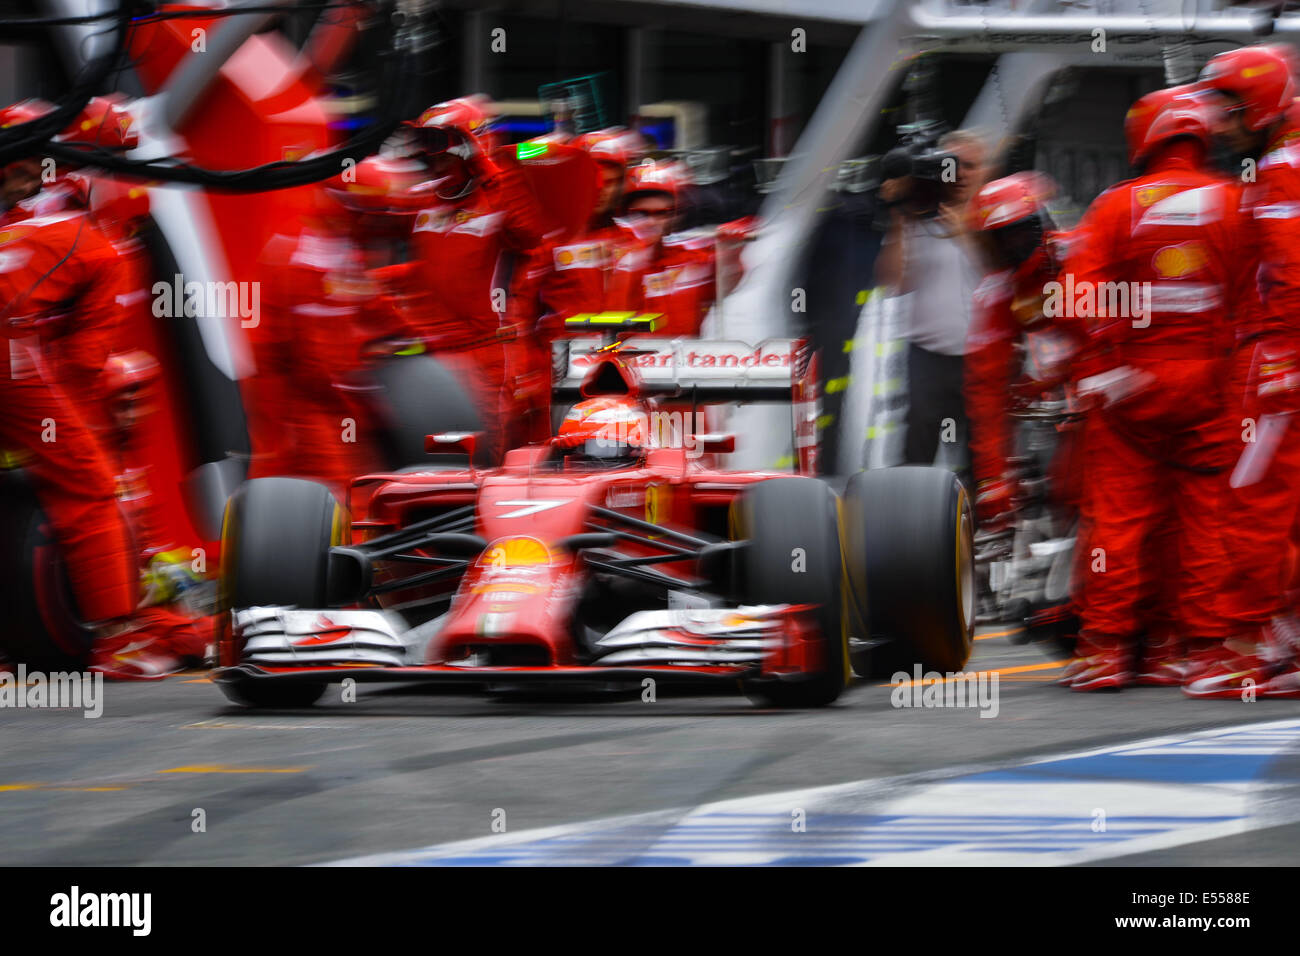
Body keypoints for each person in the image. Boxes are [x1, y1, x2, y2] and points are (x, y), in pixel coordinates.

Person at [1057, 85, 1249, 692]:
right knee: (1205, 520)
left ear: (1147, 138)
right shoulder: (1235, 201)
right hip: (1213, 384)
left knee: (1117, 520)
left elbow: (1072, 300)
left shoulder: (1113, 207)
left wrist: (1108, 353)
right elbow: (1261, 299)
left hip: (1131, 386)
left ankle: (1107, 649)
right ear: (1201, 136)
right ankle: (1204, 653)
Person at [1193, 45, 1300, 698]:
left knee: (1250, 500)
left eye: (1227, 108)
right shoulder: (1282, 160)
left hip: (1279, 353)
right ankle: (1281, 641)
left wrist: (1283, 360)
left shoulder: (1283, 170)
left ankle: (1244, 648)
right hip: (1277, 348)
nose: (1216, 121)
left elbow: (1290, 273)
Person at [394, 95, 547, 462]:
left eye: (444, 146)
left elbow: (530, 235)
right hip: (430, 354)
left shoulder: (501, 199)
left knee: (483, 459)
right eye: (427, 148)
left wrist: (484, 163)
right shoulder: (419, 203)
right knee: (426, 456)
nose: (433, 158)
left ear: (471, 146)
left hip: (488, 350)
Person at [875, 129, 989, 485]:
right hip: (928, 357)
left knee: (982, 456)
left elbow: (1004, 278)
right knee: (916, 455)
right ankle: (909, 529)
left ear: (984, 171)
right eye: (952, 166)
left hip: (982, 360)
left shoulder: (994, 215)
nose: (961, 175)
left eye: (969, 166)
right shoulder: (918, 211)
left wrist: (965, 235)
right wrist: (898, 216)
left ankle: (982, 532)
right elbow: (891, 283)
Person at [605, 160, 715, 337]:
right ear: (627, 214)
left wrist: (731, 251)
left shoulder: (693, 260)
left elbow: (730, 283)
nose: (651, 222)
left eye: (661, 213)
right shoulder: (615, 262)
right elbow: (614, 323)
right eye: (642, 213)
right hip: (631, 359)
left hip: (685, 358)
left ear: (674, 215)